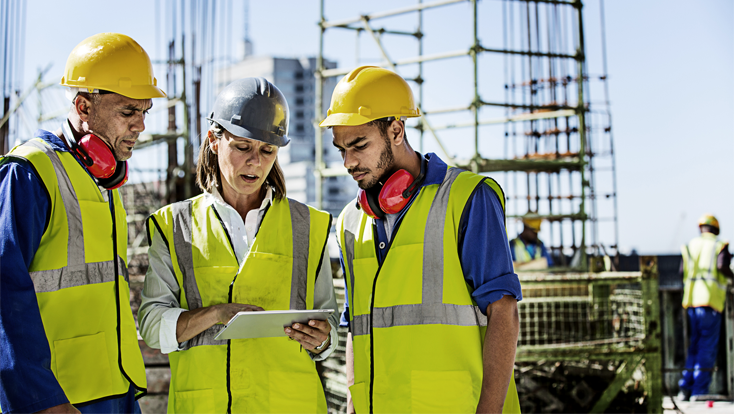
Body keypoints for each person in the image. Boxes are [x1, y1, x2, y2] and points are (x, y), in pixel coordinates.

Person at [320, 66, 522, 414]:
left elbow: (504, 313)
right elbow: (358, 327)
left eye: (359, 145)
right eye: (341, 149)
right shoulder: (350, 222)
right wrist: (353, 406)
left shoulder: (468, 198)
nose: (349, 162)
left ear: (396, 130)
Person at [138, 77, 339, 413]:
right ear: (214, 141)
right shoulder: (175, 226)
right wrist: (217, 314)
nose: (256, 162)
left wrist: (323, 339)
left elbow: (327, 324)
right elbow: (153, 327)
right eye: (243, 147)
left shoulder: (309, 226)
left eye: (267, 151)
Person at [0, 32, 165, 413]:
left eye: (145, 112)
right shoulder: (30, 172)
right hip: (57, 399)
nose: (140, 126)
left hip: (115, 391)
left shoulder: (103, 181)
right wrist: (39, 400)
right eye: (128, 112)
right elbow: (5, 294)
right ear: (83, 106)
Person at [678, 214, 734, 401]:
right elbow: (723, 266)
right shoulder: (719, 245)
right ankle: (699, 391)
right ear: (716, 229)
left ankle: (685, 388)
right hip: (710, 302)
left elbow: (681, 272)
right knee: (706, 348)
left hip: (691, 302)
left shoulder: (689, 246)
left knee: (694, 346)